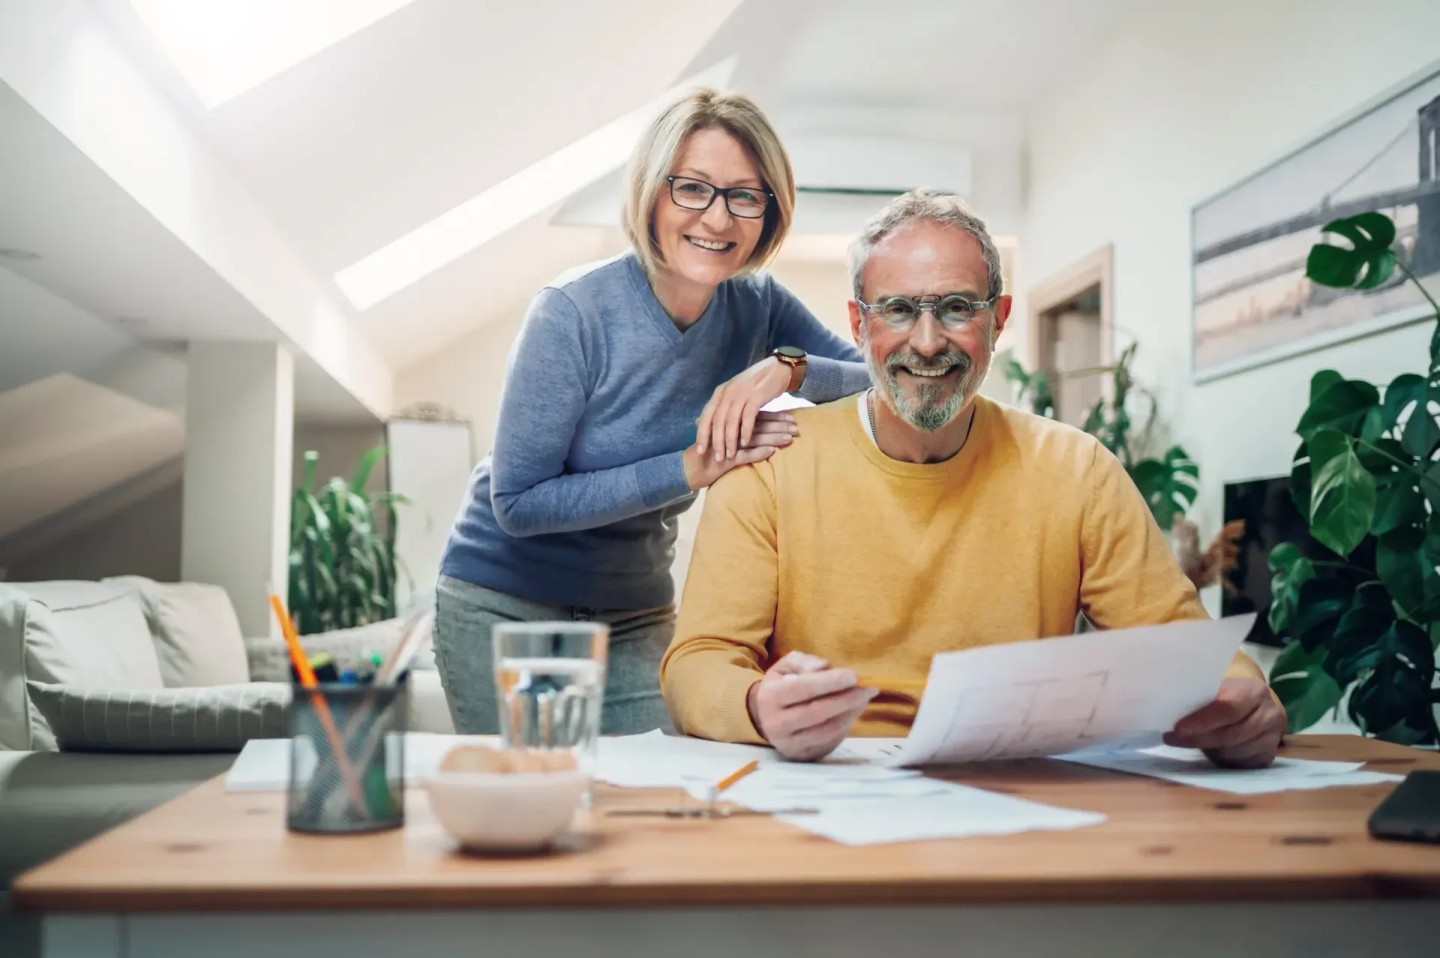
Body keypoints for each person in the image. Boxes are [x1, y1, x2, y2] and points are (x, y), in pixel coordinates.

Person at [660, 188, 1286, 768]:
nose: (928, 343)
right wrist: (756, 706)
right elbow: (698, 663)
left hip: (1016, 788)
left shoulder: (1077, 469)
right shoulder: (770, 467)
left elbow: (1183, 644)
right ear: (858, 325)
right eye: (899, 310)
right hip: (821, 785)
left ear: (999, 318)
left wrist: (1244, 699)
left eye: (957, 308)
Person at [433, 89, 870, 735]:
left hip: (635, 612)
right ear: (652, 192)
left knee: (668, 792)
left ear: (768, 212)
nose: (718, 219)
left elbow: (883, 383)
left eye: (745, 195)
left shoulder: (758, 304)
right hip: (503, 607)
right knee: (536, 809)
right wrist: (691, 468)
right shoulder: (572, 311)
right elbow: (519, 504)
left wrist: (791, 366)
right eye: (693, 188)